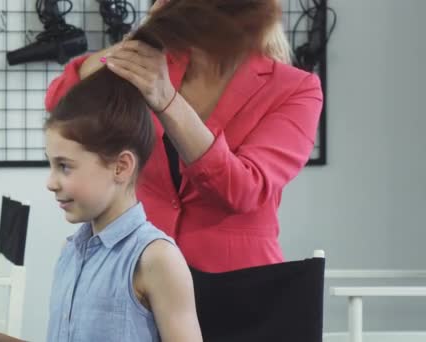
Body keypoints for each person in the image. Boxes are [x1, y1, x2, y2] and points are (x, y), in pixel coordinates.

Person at [0, 14, 202, 342]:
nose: (51, 182)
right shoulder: (72, 252)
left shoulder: (156, 259)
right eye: (51, 165)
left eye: (65, 167)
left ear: (121, 167)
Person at [45, 0, 324, 274]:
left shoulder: (296, 89)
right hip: (138, 270)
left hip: (238, 286)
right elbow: (61, 101)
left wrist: (168, 102)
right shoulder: (159, 64)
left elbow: (242, 190)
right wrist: (139, 42)